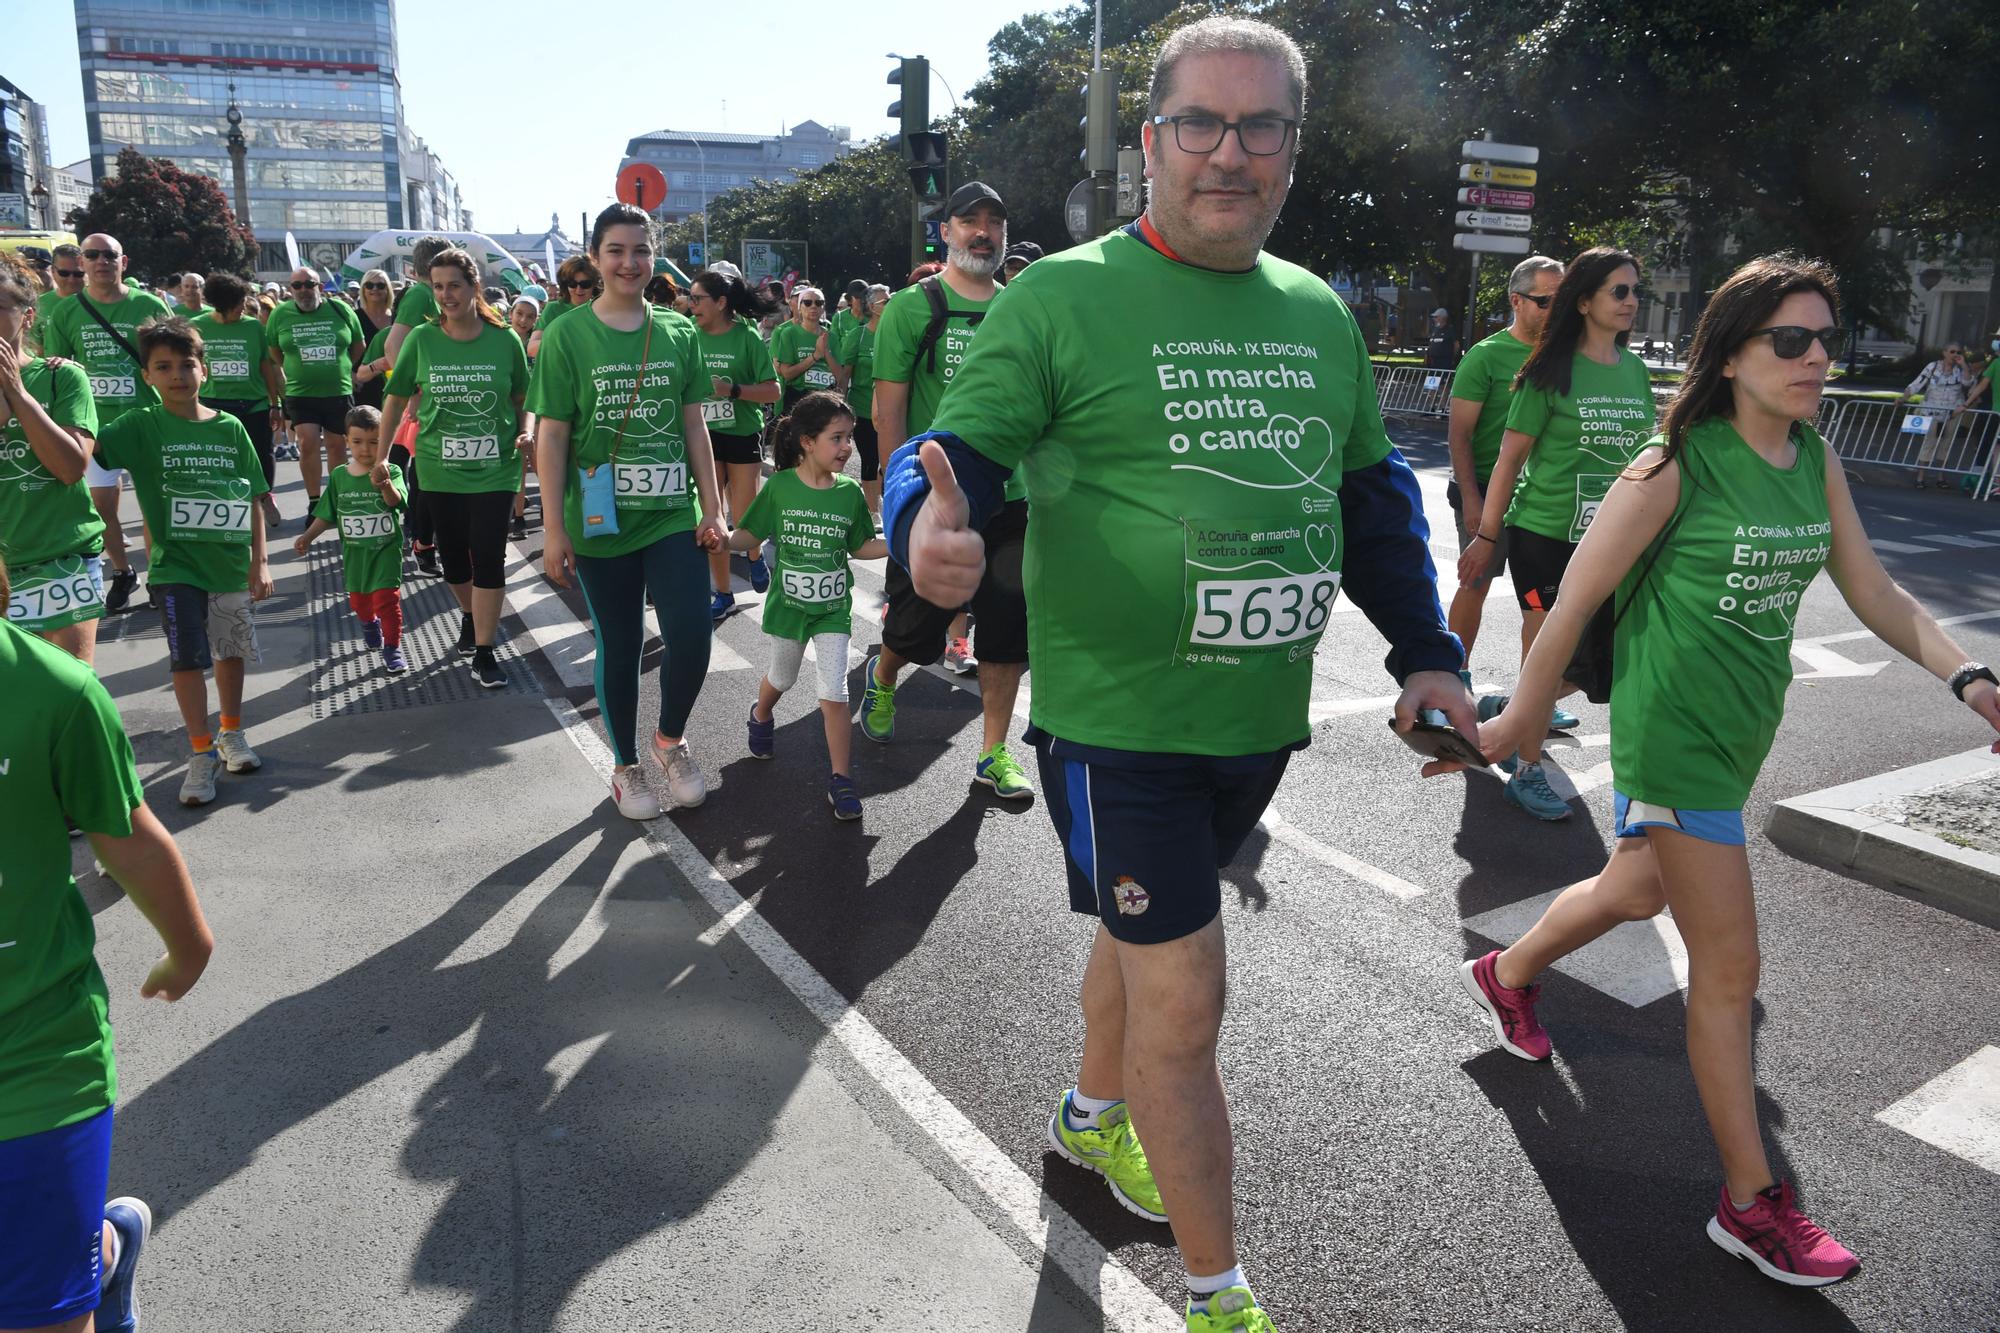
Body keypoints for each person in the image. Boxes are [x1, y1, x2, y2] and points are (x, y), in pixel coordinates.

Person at [888, 19, 1467, 1329]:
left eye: (1260, 127)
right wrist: (925, 530)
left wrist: (1427, 650)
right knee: (1188, 1000)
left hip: (1251, 726)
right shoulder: (1063, 296)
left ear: (1291, 153)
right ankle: (1219, 1294)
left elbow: (1373, 496)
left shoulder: (1316, 312)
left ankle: (1091, 1117)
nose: (1229, 151)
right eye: (1200, 123)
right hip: (1117, 725)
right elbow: (953, 457)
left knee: (1144, 945)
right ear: (1151, 142)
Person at [1457, 254, 2000, 1289]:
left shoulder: (1812, 457)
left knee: (1631, 883)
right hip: (1675, 735)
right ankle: (1749, 1204)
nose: (1813, 359)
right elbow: (1574, 596)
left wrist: (1965, 674)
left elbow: (1875, 591)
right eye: (1786, 341)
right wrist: (1523, 707)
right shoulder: (1675, 461)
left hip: (1741, 725)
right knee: (1728, 971)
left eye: (1822, 339)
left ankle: (1506, 970)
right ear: (1731, 352)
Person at [0, 552, 215, 1333]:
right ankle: (102, 1247)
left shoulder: (54, 691)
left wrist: (187, 947)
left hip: (33, 1053)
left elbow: (125, 835)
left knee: (40, 1317)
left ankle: (82, 1264)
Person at [529, 203, 726, 818]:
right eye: (616, 250)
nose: (629, 262)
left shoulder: (677, 330)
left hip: (670, 512)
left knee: (691, 635)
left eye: (641, 250)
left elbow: (695, 424)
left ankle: (670, 741)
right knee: (619, 641)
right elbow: (553, 434)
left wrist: (713, 506)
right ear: (595, 256)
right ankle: (626, 767)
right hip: (598, 518)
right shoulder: (566, 333)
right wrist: (553, 527)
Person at [1461, 247, 1656, 821]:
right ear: (1586, 300)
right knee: (1545, 646)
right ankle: (1526, 769)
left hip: (1612, 539)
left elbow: (1645, 458)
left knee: (1602, 659)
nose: (1631, 302)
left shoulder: (1635, 369)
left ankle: (1513, 708)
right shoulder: (1549, 369)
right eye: (1619, 291)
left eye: (1635, 291)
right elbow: (1508, 462)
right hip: (1543, 537)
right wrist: (1486, 537)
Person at [863, 180, 1030, 795]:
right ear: (947, 232)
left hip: (1011, 499)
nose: (982, 231)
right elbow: (890, 411)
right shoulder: (912, 308)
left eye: (994, 221)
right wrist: (892, 496)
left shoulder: (1024, 304)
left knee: (1008, 626)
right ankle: (884, 678)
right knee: (916, 631)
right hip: (934, 503)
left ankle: (993, 753)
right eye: (969, 221)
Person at [94, 316, 274, 807]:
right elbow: (84, 442)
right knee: (186, 659)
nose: (177, 375)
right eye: (163, 367)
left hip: (230, 566)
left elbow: (256, 497)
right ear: (147, 376)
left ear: (204, 371)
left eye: (186, 365)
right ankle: (200, 751)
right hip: (176, 568)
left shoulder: (231, 427)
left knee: (229, 651)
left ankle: (231, 733)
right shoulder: (139, 425)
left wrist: (260, 562)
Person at [730, 390, 886, 817]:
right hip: (789, 608)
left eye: (849, 438)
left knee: (834, 690)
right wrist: (722, 540)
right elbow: (750, 535)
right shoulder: (779, 488)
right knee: (783, 676)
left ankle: (841, 780)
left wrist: (896, 545)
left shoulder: (850, 492)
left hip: (833, 608)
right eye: (836, 438)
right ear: (806, 441)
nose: (847, 447)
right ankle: (761, 714)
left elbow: (860, 546)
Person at [382, 247, 530, 690]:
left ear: (474, 287)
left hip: (496, 468)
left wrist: (526, 431)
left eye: (454, 286)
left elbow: (523, 397)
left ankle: (485, 650)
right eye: (438, 286)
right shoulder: (422, 340)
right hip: (438, 468)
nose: (445, 294)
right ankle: (469, 614)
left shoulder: (504, 340)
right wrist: (383, 456)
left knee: (489, 553)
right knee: (452, 559)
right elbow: (394, 397)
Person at [36, 233, 169, 615]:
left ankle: (159, 575)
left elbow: (169, 355)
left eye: (109, 255)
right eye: (91, 255)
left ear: (122, 262)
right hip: (93, 427)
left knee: (153, 505)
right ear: (83, 262)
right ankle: (123, 570)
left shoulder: (149, 304)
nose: (100, 261)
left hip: (145, 420)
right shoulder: (65, 312)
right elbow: (57, 369)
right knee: (101, 507)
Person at [1445, 255, 1563, 676]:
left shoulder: (1566, 357)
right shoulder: (1486, 356)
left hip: (1539, 500)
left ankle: (1532, 701)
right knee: (1475, 584)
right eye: (1545, 300)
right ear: (1516, 300)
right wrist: (1473, 500)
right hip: (1483, 492)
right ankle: (1454, 676)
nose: (1556, 311)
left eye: (1563, 300)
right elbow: (1460, 436)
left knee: (1537, 599)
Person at [0, 256, 105, 665]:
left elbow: (69, 468)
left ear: (26, 318)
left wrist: (19, 395)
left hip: (61, 558)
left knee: (71, 689)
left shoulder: (63, 378)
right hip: (3, 568)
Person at [689, 270, 781, 618]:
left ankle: (755, 555)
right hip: (703, 435)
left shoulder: (746, 338)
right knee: (714, 519)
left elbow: (773, 390)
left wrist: (732, 391)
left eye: (698, 299)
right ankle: (723, 593)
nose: (692, 305)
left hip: (742, 433)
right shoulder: (689, 336)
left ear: (721, 302)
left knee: (743, 517)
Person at [294, 405, 408, 673]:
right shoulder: (339, 477)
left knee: (387, 600)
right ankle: (369, 624)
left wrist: (385, 484)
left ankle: (392, 647)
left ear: (385, 443)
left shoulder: (391, 471)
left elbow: (398, 504)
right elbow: (327, 514)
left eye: (374, 442)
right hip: (356, 555)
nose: (365, 449)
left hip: (386, 551)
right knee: (360, 602)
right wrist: (308, 536)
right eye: (357, 442)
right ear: (346, 441)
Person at [190, 273, 285, 528]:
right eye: (238, 305)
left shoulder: (253, 327)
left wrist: (275, 404)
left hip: (254, 403)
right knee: (220, 459)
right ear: (221, 305)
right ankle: (226, 505)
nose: (244, 308)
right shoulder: (197, 327)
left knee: (262, 453)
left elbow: (266, 367)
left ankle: (264, 495)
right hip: (213, 404)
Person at [267, 265, 366, 511]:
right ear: (290, 290)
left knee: (335, 445)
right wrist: (296, 368)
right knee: (308, 442)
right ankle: (314, 501)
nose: (303, 290)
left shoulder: (340, 309)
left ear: (320, 287)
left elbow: (358, 344)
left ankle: (336, 499)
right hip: (301, 393)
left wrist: (344, 368)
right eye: (297, 286)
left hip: (338, 390)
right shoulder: (280, 314)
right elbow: (274, 351)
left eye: (309, 284)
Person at [839, 283, 891, 522]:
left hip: (892, 410)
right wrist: (840, 405)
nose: (890, 303)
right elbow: (845, 374)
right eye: (885, 301)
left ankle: (884, 502)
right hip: (863, 409)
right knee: (870, 459)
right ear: (872, 307)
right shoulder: (857, 336)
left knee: (889, 460)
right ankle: (873, 512)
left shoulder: (897, 333)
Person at [1903, 343, 1972, 489]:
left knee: (1946, 444)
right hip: (1931, 411)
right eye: (1952, 351)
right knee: (1929, 443)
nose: (1955, 354)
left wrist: (1964, 365)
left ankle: (1941, 477)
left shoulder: (1960, 369)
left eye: (1958, 352)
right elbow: (1916, 384)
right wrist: (1903, 398)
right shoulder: (1933, 367)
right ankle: (1920, 477)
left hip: (1952, 412)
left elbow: (1967, 383)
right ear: (1944, 352)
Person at [770, 285, 839, 413]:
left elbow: (840, 376)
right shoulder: (788, 333)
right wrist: (815, 356)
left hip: (826, 397)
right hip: (797, 398)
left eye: (818, 303)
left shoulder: (832, 336)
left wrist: (826, 352)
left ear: (823, 307)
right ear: (799, 308)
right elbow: (786, 373)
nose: (813, 306)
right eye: (807, 303)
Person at [27, 242, 84, 355]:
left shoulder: (98, 300)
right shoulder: (39, 304)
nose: (71, 279)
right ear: (53, 270)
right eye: (64, 273)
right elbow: (36, 350)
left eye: (78, 274)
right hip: (54, 371)